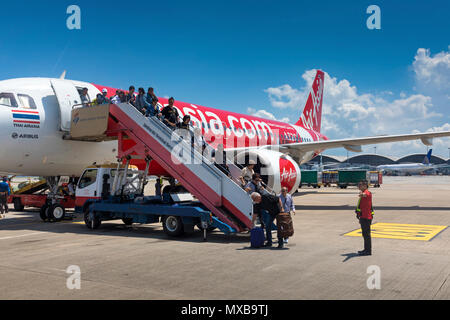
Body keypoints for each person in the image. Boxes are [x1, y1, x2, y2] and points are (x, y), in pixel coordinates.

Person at [355, 180, 374, 256]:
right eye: (358, 185)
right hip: (363, 216)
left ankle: (368, 251)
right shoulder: (364, 192)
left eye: (360, 185)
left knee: (366, 235)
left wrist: (361, 194)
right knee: (365, 234)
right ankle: (366, 249)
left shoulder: (367, 192)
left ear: (365, 186)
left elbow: (365, 194)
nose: (358, 186)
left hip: (366, 217)